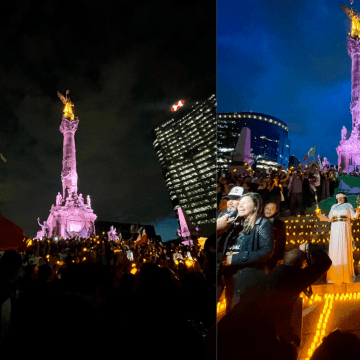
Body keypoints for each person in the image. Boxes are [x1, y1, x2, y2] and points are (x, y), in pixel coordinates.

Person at [218, 192, 274, 312]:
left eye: (246, 203)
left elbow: (267, 251)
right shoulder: (236, 224)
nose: (241, 206)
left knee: (244, 316)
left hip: (249, 279)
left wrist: (235, 258)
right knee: (231, 313)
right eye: (240, 203)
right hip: (232, 277)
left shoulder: (262, 224)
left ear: (255, 206)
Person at [316, 192, 359, 284]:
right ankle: (334, 276)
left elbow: (353, 217)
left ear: (344, 198)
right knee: (335, 249)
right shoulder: (333, 207)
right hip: (335, 229)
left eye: (342, 198)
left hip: (344, 228)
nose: (340, 199)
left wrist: (358, 211)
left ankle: (346, 275)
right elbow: (328, 219)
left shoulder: (348, 205)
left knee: (344, 247)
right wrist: (319, 215)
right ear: (336, 199)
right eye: (338, 198)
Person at [263, 199, 286, 271]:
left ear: (276, 211)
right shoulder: (257, 221)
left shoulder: (280, 224)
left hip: (273, 256)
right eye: (267, 208)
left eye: (272, 209)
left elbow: (282, 241)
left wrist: (281, 257)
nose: (268, 211)